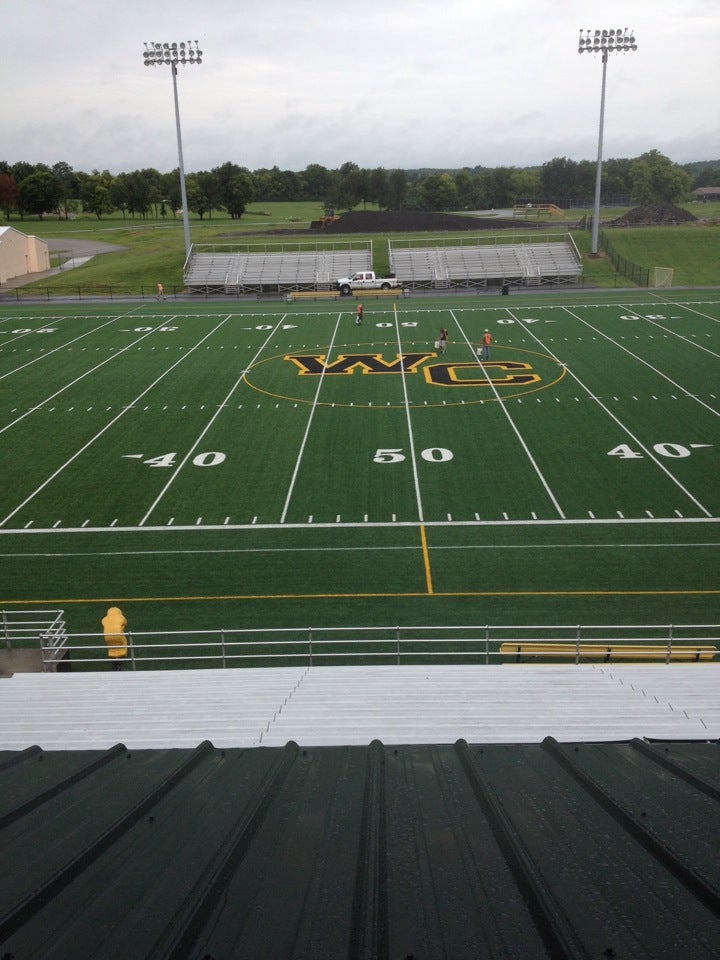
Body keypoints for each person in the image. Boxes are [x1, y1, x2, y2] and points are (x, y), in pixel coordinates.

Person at [102, 606, 128, 670]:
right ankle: (120, 658)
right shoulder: (121, 617)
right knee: (123, 642)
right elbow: (124, 623)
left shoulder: (104, 619)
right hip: (118, 635)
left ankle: (114, 660)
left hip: (107, 636)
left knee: (112, 646)